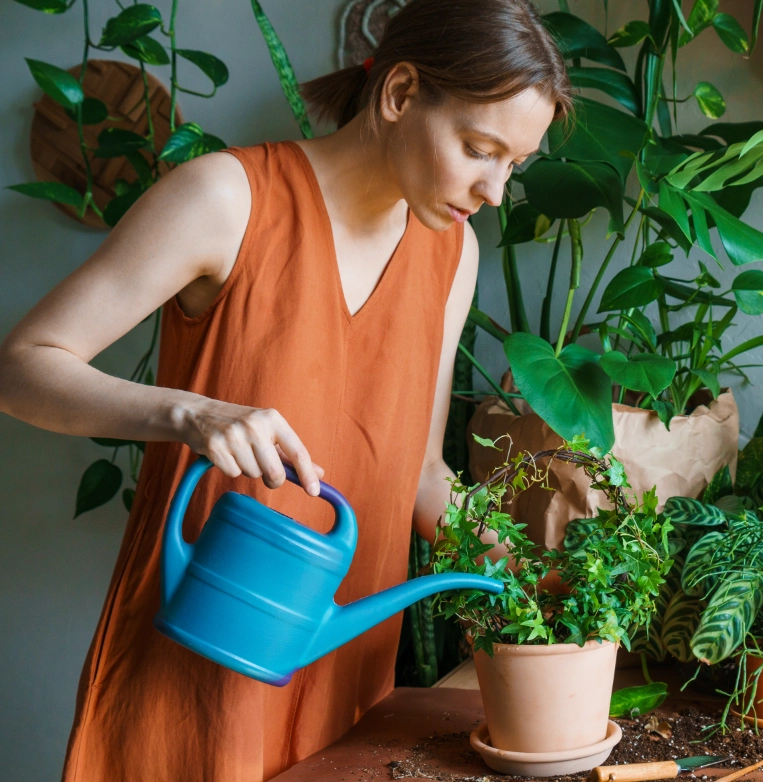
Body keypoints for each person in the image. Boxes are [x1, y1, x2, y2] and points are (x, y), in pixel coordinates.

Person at [0, 0, 572, 778]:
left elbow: (420, 473)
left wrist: (538, 574)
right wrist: (192, 414)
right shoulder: (225, 199)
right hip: (195, 676)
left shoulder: (453, 255)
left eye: (514, 164)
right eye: (479, 149)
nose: (494, 190)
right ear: (400, 93)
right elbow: (23, 365)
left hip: (345, 685)